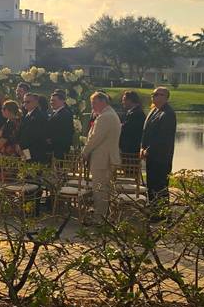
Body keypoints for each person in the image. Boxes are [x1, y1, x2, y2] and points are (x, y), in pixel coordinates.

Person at [81, 92, 122, 223]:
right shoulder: (109, 114)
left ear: (102, 102)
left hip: (103, 159)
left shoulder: (106, 117)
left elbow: (95, 138)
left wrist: (84, 152)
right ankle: (104, 216)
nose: (92, 106)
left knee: (100, 189)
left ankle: (100, 218)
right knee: (103, 189)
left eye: (94, 103)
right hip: (105, 158)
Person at [141, 86, 177, 206]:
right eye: (153, 94)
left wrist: (148, 150)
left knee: (159, 186)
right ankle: (153, 210)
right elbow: (146, 132)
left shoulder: (168, 114)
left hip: (161, 157)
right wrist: (142, 147)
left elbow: (163, 137)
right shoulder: (154, 110)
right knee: (151, 185)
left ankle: (162, 214)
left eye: (157, 94)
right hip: (151, 157)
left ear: (165, 97)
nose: (154, 97)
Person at [0, 100, 23, 178]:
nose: (2, 111)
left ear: (9, 110)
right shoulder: (18, 120)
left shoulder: (11, 123)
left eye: (3, 109)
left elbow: (4, 139)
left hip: (8, 154)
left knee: (5, 178)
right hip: (14, 153)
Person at [19, 92, 50, 164]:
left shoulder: (39, 116)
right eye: (24, 102)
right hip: (25, 149)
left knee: (31, 169)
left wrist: (22, 146)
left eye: (28, 102)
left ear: (36, 102)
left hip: (34, 150)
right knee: (25, 167)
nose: (25, 104)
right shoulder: (27, 115)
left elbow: (34, 135)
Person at [47, 90, 75, 159]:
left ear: (62, 101)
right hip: (54, 147)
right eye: (51, 100)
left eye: (54, 100)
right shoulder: (55, 113)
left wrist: (52, 139)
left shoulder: (65, 114)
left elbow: (66, 131)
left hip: (60, 147)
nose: (51, 102)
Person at [119, 90, 145, 156]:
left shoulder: (136, 114)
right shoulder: (133, 112)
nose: (122, 102)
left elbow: (127, 129)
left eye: (124, 100)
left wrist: (119, 126)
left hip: (131, 150)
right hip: (129, 149)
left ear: (130, 100)